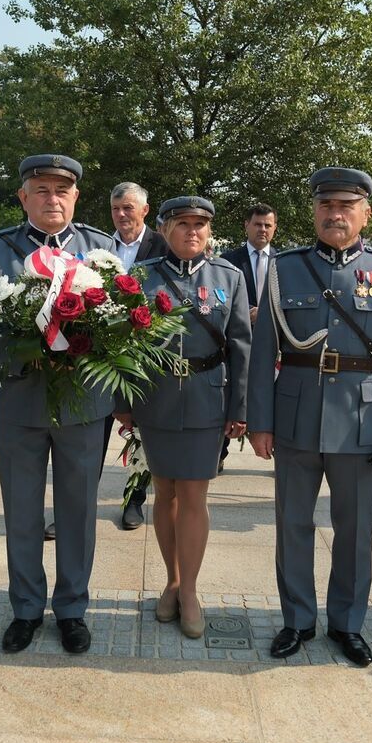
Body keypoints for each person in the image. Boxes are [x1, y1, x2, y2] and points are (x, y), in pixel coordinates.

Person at [247, 168, 372, 667]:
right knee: (293, 524)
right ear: (314, 211)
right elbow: (262, 354)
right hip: (296, 412)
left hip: (364, 417)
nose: (335, 214)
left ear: (366, 213)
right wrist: (260, 420)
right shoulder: (285, 267)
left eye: (346, 206)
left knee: (356, 527)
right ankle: (297, 619)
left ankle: (347, 623)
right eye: (326, 206)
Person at [0, 153, 115, 654]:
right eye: (41, 190)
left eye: (62, 191)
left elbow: (122, 323)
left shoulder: (102, 249)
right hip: (22, 399)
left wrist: (86, 347)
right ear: (23, 197)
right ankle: (26, 607)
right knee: (22, 510)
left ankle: (72, 608)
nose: (53, 199)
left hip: (83, 404)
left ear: (75, 197)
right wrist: (26, 351)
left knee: (78, 511)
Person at [115, 196, 250, 638]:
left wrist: (240, 408)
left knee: (194, 496)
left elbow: (242, 346)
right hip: (155, 397)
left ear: (210, 231)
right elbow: (123, 344)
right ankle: (171, 580)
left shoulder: (228, 277)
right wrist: (124, 401)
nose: (193, 232)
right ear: (165, 228)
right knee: (164, 493)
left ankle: (189, 589)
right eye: (183, 224)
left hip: (207, 397)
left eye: (201, 225)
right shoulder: (141, 277)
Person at [108, 181, 168, 531]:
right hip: (103, 352)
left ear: (144, 210)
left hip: (145, 352)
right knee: (94, 432)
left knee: (139, 433)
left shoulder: (162, 245)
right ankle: (78, 508)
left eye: (128, 208)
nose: (121, 215)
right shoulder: (99, 245)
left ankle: (134, 500)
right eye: (116, 209)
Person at [221, 204, 278, 325]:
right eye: (258, 224)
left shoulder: (283, 261)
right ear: (246, 225)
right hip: (240, 331)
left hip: (275, 333)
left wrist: (265, 312)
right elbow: (223, 295)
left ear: (275, 228)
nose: (263, 229)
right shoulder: (227, 261)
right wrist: (248, 311)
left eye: (267, 225)